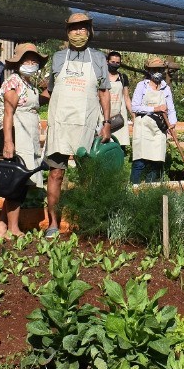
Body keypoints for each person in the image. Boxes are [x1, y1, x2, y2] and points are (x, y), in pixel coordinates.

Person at [43, 12, 112, 239]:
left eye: (83, 28)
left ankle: (87, 222)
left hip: (86, 123)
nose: (78, 32)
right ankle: (53, 223)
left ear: (90, 31)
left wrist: (107, 122)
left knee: (87, 174)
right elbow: (51, 90)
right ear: (67, 32)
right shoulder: (58, 58)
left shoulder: (99, 58)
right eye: (74, 28)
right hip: (60, 122)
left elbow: (103, 93)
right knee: (55, 174)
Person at [0, 43, 47, 237]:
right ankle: (14, 228)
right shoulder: (13, 82)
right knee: (17, 184)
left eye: (34, 60)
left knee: (17, 182)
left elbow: (37, 102)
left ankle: (2, 226)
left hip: (29, 137)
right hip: (18, 137)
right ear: (18, 62)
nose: (31, 63)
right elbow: (8, 114)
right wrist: (9, 142)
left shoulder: (28, 84)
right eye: (27, 59)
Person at [130, 57, 177, 183]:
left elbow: (171, 109)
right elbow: (135, 107)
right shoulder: (142, 86)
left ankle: (150, 190)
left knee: (156, 162)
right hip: (143, 127)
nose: (157, 71)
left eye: (160, 69)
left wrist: (172, 124)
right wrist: (155, 109)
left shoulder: (165, 88)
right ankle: (133, 188)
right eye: (154, 69)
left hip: (159, 129)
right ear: (149, 71)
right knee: (140, 162)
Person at [106, 51, 132, 147]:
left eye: (117, 63)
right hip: (103, 115)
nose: (115, 64)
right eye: (112, 62)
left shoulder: (123, 77)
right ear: (107, 61)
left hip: (119, 117)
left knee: (119, 145)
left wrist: (133, 115)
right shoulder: (101, 77)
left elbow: (126, 97)